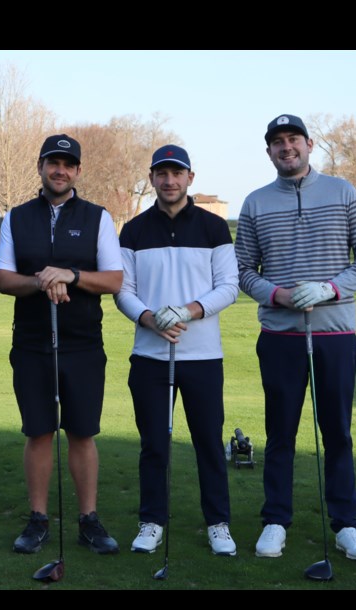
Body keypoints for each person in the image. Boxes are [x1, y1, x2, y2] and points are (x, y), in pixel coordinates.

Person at [234, 115, 356, 561]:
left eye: (293, 139)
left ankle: (346, 525)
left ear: (309, 143)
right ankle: (276, 521)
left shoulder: (342, 191)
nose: (286, 147)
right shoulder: (256, 203)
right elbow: (243, 270)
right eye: (277, 142)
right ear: (269, 152)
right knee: (280, 433)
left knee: (337, 431)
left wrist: (332, 288)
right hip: (280, 335)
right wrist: (277, 294)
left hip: (335, 333)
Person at [0, 133, 123, 555]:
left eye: (68, 164)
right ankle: (37, 520)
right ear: (41, 167)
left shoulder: (98, 217)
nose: (60, 170)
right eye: (53, 162)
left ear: (78, 171)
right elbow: (3, 279)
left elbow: (113, 279)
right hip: (32, 344)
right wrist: (40, 280)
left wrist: (70, 274)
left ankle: (88, 519)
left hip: (82, 343)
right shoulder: (16, 217)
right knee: (39, 432)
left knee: (83, 433)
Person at [115, 145, 240, 556]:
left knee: (208, 440)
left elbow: (228, 286)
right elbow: (124, 291)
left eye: (177, 173)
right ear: (151, 178)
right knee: (154, 443)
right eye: (161, 173)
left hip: (202, 357)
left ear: (190, 178)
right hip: (150, 356)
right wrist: (149, 318)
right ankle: (152, 521)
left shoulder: (212, 227)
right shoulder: (133, 230)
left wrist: (189, 310)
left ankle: (218, 523)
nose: (169, 181)